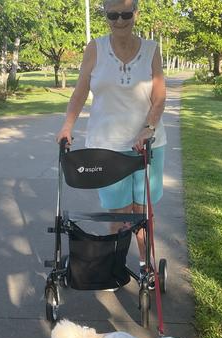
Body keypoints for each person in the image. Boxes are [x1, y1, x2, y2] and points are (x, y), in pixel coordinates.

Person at [55, 0, 166, 290]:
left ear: (136, 14)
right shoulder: (95, 48)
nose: (119, 21)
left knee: (142, 212)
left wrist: (148, 127)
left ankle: (145, 267)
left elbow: (160, 96)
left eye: (126, 14)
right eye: (112, 15)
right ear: (105, 15)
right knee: (118, 213)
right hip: (107, 145)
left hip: (147, 145)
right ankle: (115, 266)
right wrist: (68, 125)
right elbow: (80, 91)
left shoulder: (151, 50)